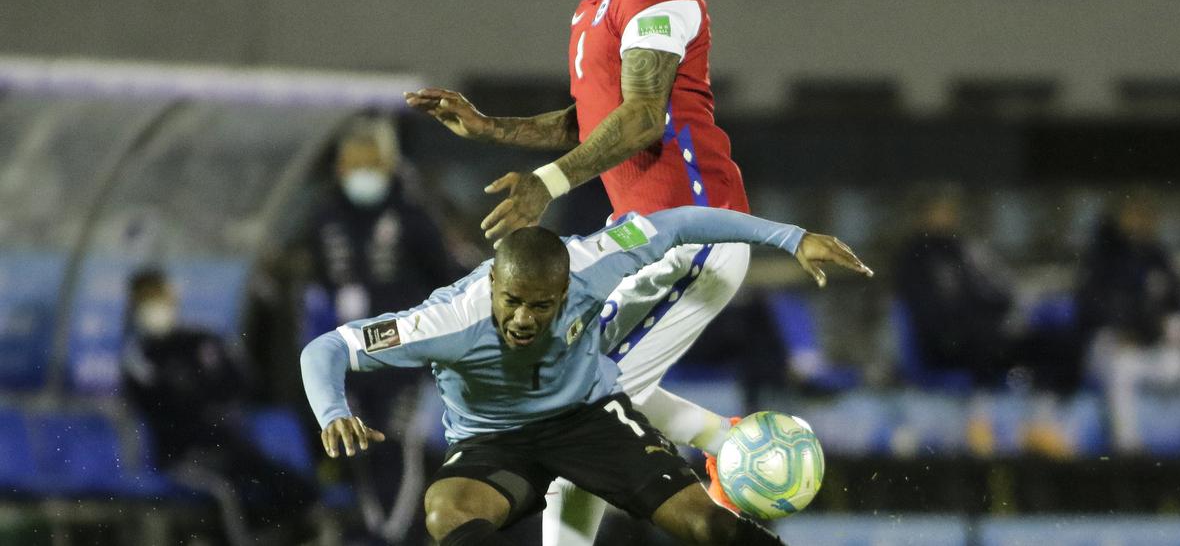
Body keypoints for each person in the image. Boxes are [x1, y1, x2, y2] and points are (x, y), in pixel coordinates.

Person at [404, 0, 755, 539]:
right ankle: (731, 444)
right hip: (642, 239)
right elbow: (593, 119)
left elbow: (642, 115)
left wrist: (548, 182)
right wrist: (490, 126)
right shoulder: (595, 3)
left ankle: (733, 446)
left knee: (572, 410)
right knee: (572, 403)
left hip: (694, 232)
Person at [302, 206, 873, 545]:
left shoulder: (593, 263)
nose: (524, 319)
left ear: (565, 291)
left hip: (589, 421)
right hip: (493, 442)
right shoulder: (447, 320)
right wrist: (333, 410)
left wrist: (791, 237)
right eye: (513, 302)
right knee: (446, 510)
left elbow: (680, 223)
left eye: (542, 306)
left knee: (708, 527)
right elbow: (326, 349)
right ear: (493, 287)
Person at [303, 116, 462, 543]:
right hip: (350, 360)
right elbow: (321, 285)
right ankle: (376, 532)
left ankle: (399, 536)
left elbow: (447, 279)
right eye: (354, 163)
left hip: (404, 360)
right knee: (358, 449)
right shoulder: (324, 219)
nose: (362, 173)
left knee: (398, 445)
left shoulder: (413, 216)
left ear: (390, 163)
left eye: (372, 162)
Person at [121, 267, 319, 546]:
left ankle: (280, 535)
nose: (154, 306)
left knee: (295, 487)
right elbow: (159, 403)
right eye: (145, 300)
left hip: (227, 446)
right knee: (226, 490)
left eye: (159, 296)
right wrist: (198, 398)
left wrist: (201, 396)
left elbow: (240, 383)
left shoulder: (201, 341)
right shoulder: (140, 355)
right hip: (183, 455)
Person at [1075, 192, 1180, 452]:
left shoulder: (1158, 255)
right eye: (1133, 214)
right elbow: (1088, 308)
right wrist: (1120, 328)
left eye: (1146, 215)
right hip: (1106, 343)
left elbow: (1177, 304)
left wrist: (1167, 326)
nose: (1140, 221)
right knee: (1121, 367)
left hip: (1148, 345)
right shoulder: (1102, 255)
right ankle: (1127, 447)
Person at [893, 187, 1017, 387]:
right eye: (938, 211)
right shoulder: (914, 257)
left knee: (1024, 342)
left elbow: (988, 293)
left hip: (968, 333)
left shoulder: (959, 249)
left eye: (948, 211)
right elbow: (927, 311)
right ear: (923, 215)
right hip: (940, 343)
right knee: (989, 349)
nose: (945, 217)